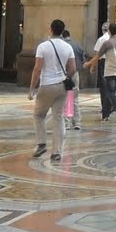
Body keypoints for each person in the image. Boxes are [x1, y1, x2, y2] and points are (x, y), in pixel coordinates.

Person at [29, 19, 77, 164]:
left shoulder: (43, 46)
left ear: (50, 29)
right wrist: (65, 77)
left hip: (46, 85)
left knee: (39, 115)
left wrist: (32, 88)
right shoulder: (67, 47)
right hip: (62, 86)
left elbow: (37, 69)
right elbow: (73, 68)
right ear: (62, 31)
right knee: (58, 118)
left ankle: (42, 144)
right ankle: (57, 152)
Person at [86, 23, 116, 122]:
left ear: (109, 30)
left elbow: (97, 56)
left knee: (109, 92)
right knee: (110, 92)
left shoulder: (106, 43)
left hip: (110, 70)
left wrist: (89, 64)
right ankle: (105, 114)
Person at [63, 28, 86, 131]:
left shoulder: (63, 45)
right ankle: (77, 123)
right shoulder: (77, 45)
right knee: (75, 99)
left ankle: (67, 123)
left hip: (65, 74)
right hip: (75, 73)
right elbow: (83, 60)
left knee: (67, 98)